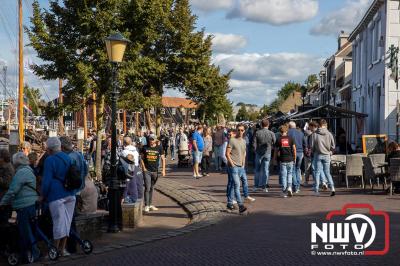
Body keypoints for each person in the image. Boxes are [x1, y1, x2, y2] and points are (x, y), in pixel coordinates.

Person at [0, 152, 40, 262]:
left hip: (24, 205)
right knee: (29, 230)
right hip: (31, 203)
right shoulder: (28, 170)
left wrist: (2, 202)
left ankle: (33, 254)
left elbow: (12, 190)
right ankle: (29, 253)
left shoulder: (20, 173)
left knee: (25, 231)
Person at [42, 137, 76, 256]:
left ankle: (54, 250)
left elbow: (46, 181)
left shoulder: (50, 160)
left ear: (50, 149)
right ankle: (62, 249)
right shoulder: (68, 158)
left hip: (56, 194)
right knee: (67, 222)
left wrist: (43, 195)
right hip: (70, 193)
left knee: (58, 223)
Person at [225, 125, 250, 213]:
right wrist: (232, 164)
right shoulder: (232, 140)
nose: (240, 131)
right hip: (233, 166)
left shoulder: (243, 141)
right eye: (238, 130)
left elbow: (243, 153)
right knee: (237, 185)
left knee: (232, 185)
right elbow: (227, 154)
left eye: (242, 130)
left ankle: (229, 203)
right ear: (236, 130)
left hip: (240, 167)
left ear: (244, 131)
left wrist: (243, 164)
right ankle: (240, 205)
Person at [140, 134, 166, 213]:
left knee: (152, 187)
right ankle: (146, 205)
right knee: (147, 187)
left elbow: (163, 159)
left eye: (152, 139)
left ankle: (150, 204)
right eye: (150, 139)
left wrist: (163, 170)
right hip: (147, 171)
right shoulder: (144, 147)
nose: (151, 141)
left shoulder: (159, 147)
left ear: (155, 140)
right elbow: (141, 158)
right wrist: (143, 168)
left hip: (155, 171)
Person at [310, 119, 336, 196]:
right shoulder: (329, 134)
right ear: (325, 125)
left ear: (319, 125)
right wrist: (330, 152)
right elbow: (333, 146)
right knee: (327, 172)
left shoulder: (314, 134)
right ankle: (332, 188)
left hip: (318, 154)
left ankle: (317, 190)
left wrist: (314, 151)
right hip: (327, 155)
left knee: (317, 172)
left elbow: (312, 146)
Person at [253, 119, 276, 192]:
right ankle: (264, 186)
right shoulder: (271, 133)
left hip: (258, 153)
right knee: (266, 170)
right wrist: (271, 147)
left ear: (261, 125)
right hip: (267, 153)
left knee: (257, 170)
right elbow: (275, 142)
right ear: (268, 125)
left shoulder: (257, 133)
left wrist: (255, 151)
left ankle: (256, 186)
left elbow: (254, 144)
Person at [274, 125, 296, 198]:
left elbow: (276, 150)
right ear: (287, 131)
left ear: (280, 131)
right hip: (290, 158)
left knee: (284, 175)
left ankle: (284, 190)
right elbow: (294, 149)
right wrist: (294, 158)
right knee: (290, 174)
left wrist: (274, 159)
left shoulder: (278, 139)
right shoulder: (291, 138)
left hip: (282, 159)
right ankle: (289, 187)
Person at [288, 121, 306, 193]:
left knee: (293, 170)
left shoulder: (289, 133)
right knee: (298, 169)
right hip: (300, 152)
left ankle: (295, 186)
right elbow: (305, 143)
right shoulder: (301, 133)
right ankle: (298, 186)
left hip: (292, 153)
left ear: (289, 126)